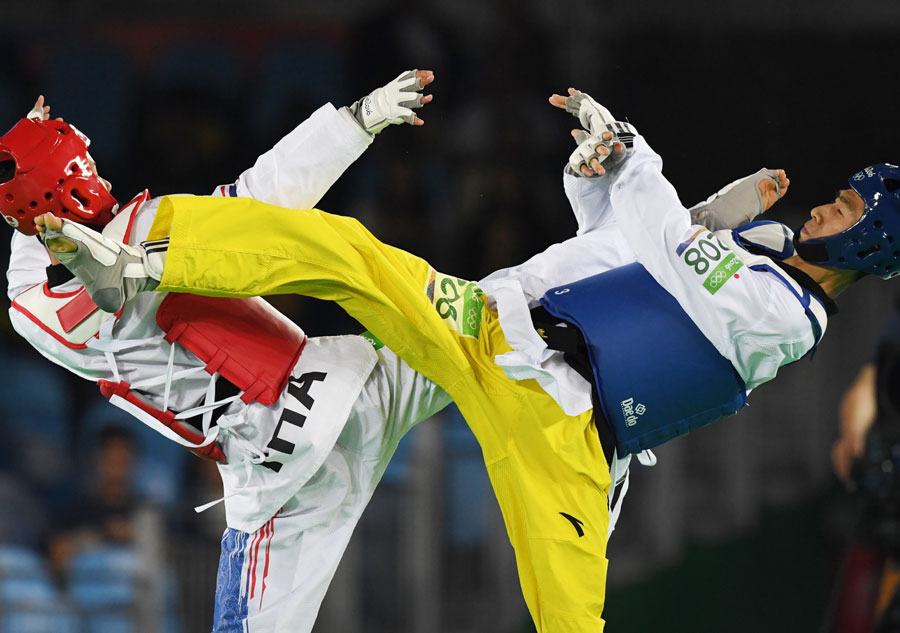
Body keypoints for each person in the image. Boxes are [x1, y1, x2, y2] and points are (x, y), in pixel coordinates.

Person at [39, 86, 886, 632]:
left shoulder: (784, 311)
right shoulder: (755, 252)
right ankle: (143, 267)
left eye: (844, 205)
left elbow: (666, 241)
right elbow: (620, 243)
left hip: (571, 443)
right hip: (496, 335)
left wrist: (635, 152)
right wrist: (597, 178)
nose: (822, 206)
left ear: (873, 240)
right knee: (346, 253)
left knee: (569, 618)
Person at [3, 71, 458, 633]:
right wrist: (356, 121)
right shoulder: (149, 225)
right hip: (347, 381)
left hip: (280, 462)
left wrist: (27, 213)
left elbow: (32, 287)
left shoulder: (42, 317)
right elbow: (260, 196)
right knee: (505, 324)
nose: (97, 171)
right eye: (82, 166)